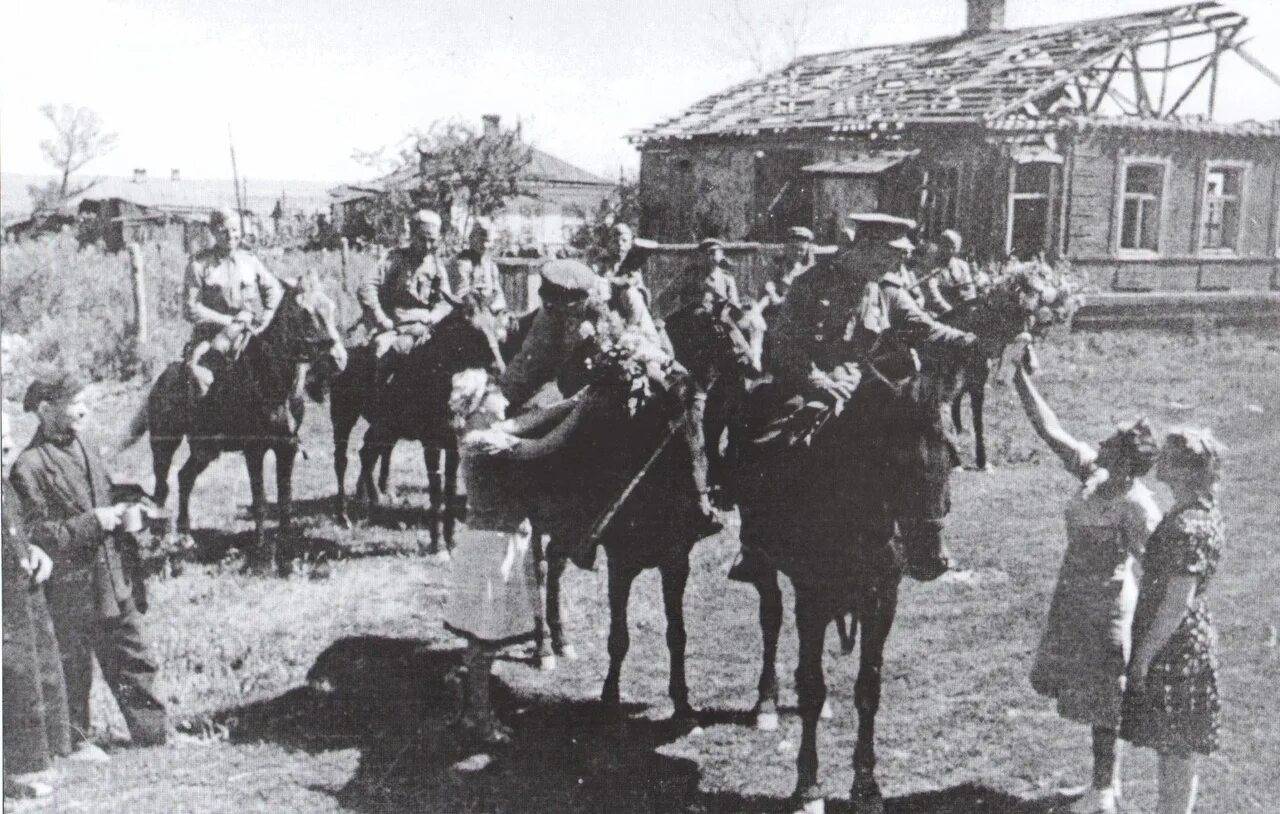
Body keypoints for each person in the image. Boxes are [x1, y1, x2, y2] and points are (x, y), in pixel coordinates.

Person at [729, 213, 980, 582]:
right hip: (811, 387)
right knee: (766, 441)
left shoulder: (886, 290)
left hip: (870, 388)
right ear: (867, 248)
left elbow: (927, 330)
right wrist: (817, 379)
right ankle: (757, 545)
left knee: (928, 445)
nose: (899, 262)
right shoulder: (811, 283)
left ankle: (926, 536)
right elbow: (783, 343)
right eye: (892, 254)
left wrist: (974, 340)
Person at [1013, 355, 1162, 814]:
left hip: (1109, 606)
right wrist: (1019, 378)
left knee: (1106, 697)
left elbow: (1157, 564)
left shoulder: (1137, 505)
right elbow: (1050, 429)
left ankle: (1103, 794)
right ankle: (1104, 784)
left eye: (1111, 441)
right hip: (1074, 598)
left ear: (1126, 459)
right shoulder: (1092, 472)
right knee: (1092, 693)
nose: (1100, 440)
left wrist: (1156, 623)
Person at [8, 373, 168, 756]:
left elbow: (106, 491)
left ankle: (156, 736)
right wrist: (95, 522)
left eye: (84, 401)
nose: (83, 409)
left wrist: (134, 507)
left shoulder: (87, 444)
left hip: (113, 578)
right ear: (45, 411)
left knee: (135, 659)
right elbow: (41, 536)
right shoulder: (28, 467)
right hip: (72, 590)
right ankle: (76, 744)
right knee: (73, 670)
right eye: (74, 403)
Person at [443, 369, 599, 744]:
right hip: (492, 548)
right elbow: (544, 444)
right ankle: (480, 719)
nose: (505, 398)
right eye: (496, 392)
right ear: (480, 405)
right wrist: (580, 414)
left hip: (491, 542)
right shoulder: (483, 440)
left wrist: (577, 398)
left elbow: (530, 420)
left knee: (483, 636)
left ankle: (470, 706)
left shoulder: (482, 431)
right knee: (486, 640)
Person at [1121, 428, 1226, 814]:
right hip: (1184, 640)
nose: (1158, 462)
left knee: (1176, 748)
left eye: (1166, 457)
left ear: (1183, 470)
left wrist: (1144, 657)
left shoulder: (1188, 524)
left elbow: (1177, 600)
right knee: (1174, 745)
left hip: (1175, 645)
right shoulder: (1197, 511)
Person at [3, 410, 72, 799]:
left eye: (9, 436)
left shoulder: (4, 487)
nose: (8, 445)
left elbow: (14, 532)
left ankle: (24, 767)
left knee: (25, 679)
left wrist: (31, 550)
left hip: (18, 603)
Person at [184, 208, 285, 396]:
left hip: (248, 334)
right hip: (211, 336)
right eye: (223, 230)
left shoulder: (249, 261)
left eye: (235, 230)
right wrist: (230, 321)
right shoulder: (199, 265)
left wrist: (267, 316)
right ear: (213, 232)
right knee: (201, 379)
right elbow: (191, 308)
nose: (230, 236)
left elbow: (274, 289)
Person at [357, 209, 455, 383]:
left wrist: (433, 317)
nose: (427, 246)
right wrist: (381, 319)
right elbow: (366, 287)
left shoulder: (437, 265)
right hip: (394, 326)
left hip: (426, 327)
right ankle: (378, 404)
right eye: (422, 239)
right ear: (412, 234)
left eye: (432, 240)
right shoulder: (394, 259)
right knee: (384, 352)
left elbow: (446, 301)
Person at [500, 258, 611, 410]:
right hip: (554, 381)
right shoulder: (547, 315)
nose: (549, 305)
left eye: (557, 300)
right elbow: (530, 356)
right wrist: (505, 392)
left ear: (576, 298)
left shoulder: (595, 316)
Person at [453, 220, 508, 314]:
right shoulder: (463, 263)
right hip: (471, 312)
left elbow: (498, 294)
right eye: (481, 240)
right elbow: (462, 293)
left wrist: (495, 308)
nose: (484, 245)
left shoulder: (491, 266)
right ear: (471, 239)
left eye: (487, 241)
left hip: (490, 311)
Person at [921, 229, 978, 316]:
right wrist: (950, 311)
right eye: (947, 246)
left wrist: (970, 309)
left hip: (959, 312)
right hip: (938, 313)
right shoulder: (931, 265)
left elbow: (969, 290)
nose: (951, 250)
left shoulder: (962, 266)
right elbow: (932, 292)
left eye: (954, 247)